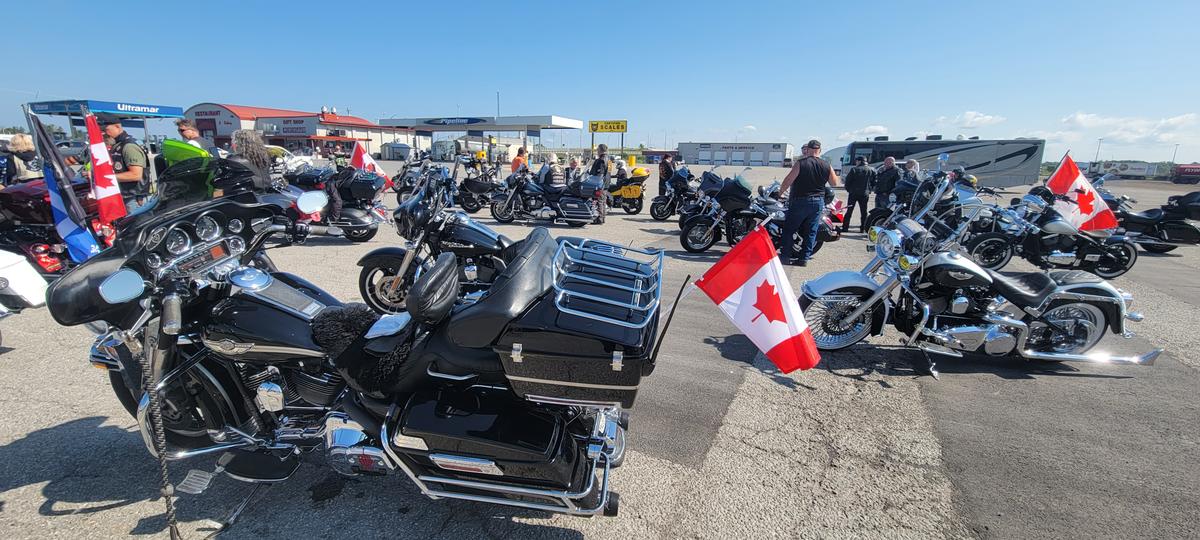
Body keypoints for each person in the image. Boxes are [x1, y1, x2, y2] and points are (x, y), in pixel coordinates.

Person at [779, 139, 840, 266]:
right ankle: (804, 259)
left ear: (808, 150)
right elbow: (834, 183)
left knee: (790, 229)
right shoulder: (826, 165)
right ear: (820, 150)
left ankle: (785, 257)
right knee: (811, 231)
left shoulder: (801, 163)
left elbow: (788, 180)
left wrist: (780, 193)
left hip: (799, 201)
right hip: (817, 202)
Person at [98, 113, 153, 209]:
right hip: (124, 196)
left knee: (134, 223)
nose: (103, 133)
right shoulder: (118, 145)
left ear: (117, 126)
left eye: (105, 129)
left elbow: (135, 175)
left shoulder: (129, 147)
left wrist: (105, 178)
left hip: (133, 199)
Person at [842, 156, 875, 233]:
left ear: (859, 161)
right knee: (864, 212)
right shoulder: (871, 170)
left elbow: (848, 182)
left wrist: (849, 190)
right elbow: (874, 181)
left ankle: (845, 227)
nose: (856, 162)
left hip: (853, 193)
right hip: (865, 193)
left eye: (856, 161)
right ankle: (863, 228)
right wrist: (869, 189)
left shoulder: (854, 169)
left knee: (849, 211)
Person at [588, 144, 612, 224]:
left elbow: (600, 173)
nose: (597, 151)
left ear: (600, 150)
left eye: (598, 150)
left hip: (600, 183)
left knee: (599, 201)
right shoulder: (609, 160)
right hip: (606, 183)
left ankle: (599, 219)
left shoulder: (601, 160)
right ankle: (602, 218)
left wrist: (595, 183)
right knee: (603, 201)